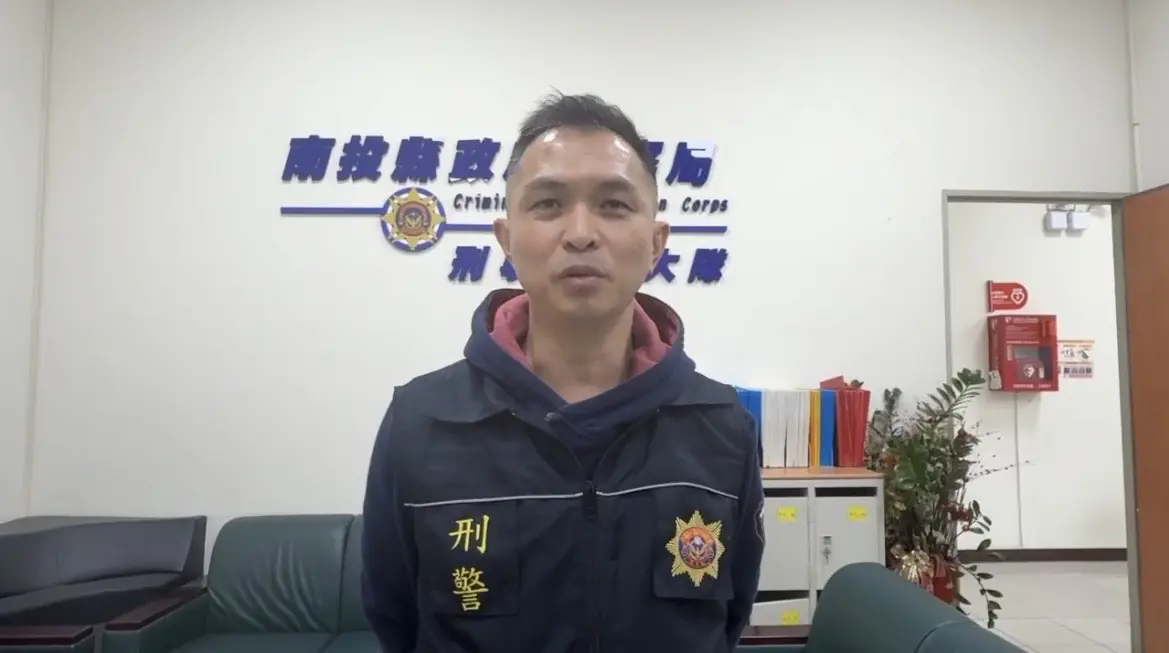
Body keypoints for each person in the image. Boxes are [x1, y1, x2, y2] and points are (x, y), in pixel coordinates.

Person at [361, 93, 764, 653]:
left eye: (614, 205)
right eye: (548, 204)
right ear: (506, 240)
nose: (580, 233)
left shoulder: (722, 426)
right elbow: (395, 616)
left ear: (656, 244)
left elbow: (728, 617)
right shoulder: (420, 422)